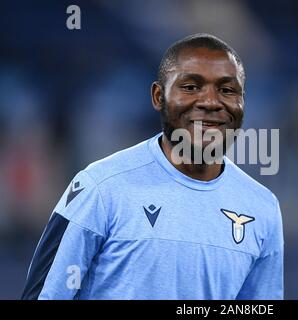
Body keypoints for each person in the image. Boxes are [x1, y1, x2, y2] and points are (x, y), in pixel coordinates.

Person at [21, 33, 284, 300]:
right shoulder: (100, 188)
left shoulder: (262, 208)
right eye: (191, 87)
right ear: (159, 96)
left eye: (227, 90)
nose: (210, 102)